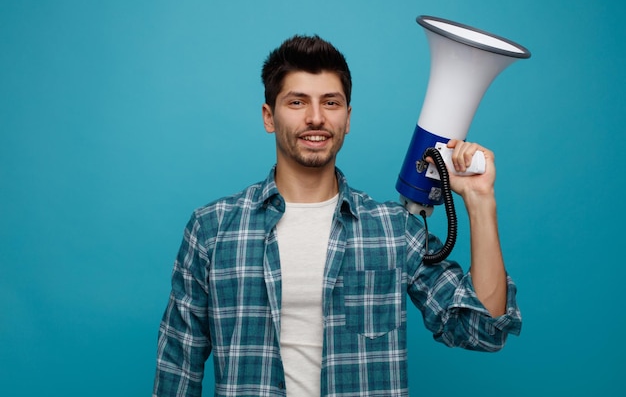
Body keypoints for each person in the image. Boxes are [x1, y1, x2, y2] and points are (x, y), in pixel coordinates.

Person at [153, 35, 521, 397]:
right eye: (297, 102)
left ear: (347, 118)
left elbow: (484, 330)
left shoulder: (395, 232)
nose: (316, 118)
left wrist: (480, 200)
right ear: (269, 117)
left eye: (331, 102)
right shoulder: (212, 230)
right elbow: (178, 370)